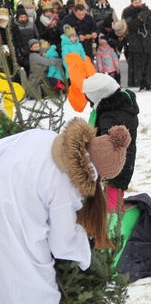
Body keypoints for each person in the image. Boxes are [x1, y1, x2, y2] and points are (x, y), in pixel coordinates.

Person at [0, 117, 131, 303]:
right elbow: (62, 242)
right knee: (35, 288)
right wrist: (87, 257)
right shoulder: (65, 183)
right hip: (13, 224)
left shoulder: (44, 136)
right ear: (96, 174)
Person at [82, 73, 139, 212]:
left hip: (113, 168)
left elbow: (106, 146)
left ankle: (112, 230)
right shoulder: (125, 106)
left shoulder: (109, 115)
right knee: (114, 197)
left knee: (110, 207)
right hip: (125, 163)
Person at [121, 0, 151, 90]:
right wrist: (139, 19)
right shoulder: (127, 11)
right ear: (132, 2)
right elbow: (129, 25)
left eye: (139, 1)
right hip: (135, 41)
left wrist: (146, 17)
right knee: (136, 63)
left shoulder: (145, 10)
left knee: (147, 63)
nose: (138, 4)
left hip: (145, 40)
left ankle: (147, 82)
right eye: (136, 2)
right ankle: (137, 82)